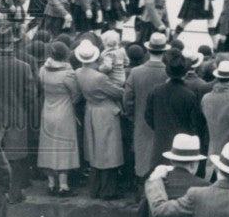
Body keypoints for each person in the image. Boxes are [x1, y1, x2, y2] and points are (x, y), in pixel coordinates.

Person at [0, 23, 37, 203]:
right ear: (13, 43)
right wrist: (21, 108)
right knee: (15, 158)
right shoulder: (24, 67)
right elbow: (31, 95)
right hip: (16, 116)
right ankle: (13, 193)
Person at [75, 39, 125, 200]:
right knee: (109, 151)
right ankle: (108, 190)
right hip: (106, 112)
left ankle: (95, 188)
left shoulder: (78, 72)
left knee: (95, 151)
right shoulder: (99, 77)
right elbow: (117, 93)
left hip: (91, 110)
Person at [145, 52, 208, 175]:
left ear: (167, 71)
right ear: (185, 73)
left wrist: (159, 128)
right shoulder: (189, 95)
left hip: (160, 143)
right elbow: (197, 123)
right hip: (182, 147)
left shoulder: (155, 91)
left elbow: (148, 116)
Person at [123, 31, 171, 185]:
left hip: (141, 121)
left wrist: (132, 116)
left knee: (142, 158)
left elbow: (127, 98)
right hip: (164, 123)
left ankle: (141, 193)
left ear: (148, 50)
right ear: (164, 51)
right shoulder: (168, 73)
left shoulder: (136, 72)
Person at [36, 40, 81, 196]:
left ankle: (51, 183)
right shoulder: (68, 73)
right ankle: (63, 185)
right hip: (65, 112)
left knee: (48, 146)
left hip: (47, 110)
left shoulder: (42, 70)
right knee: (64, 147)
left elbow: (40, 88)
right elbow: (76, 94)